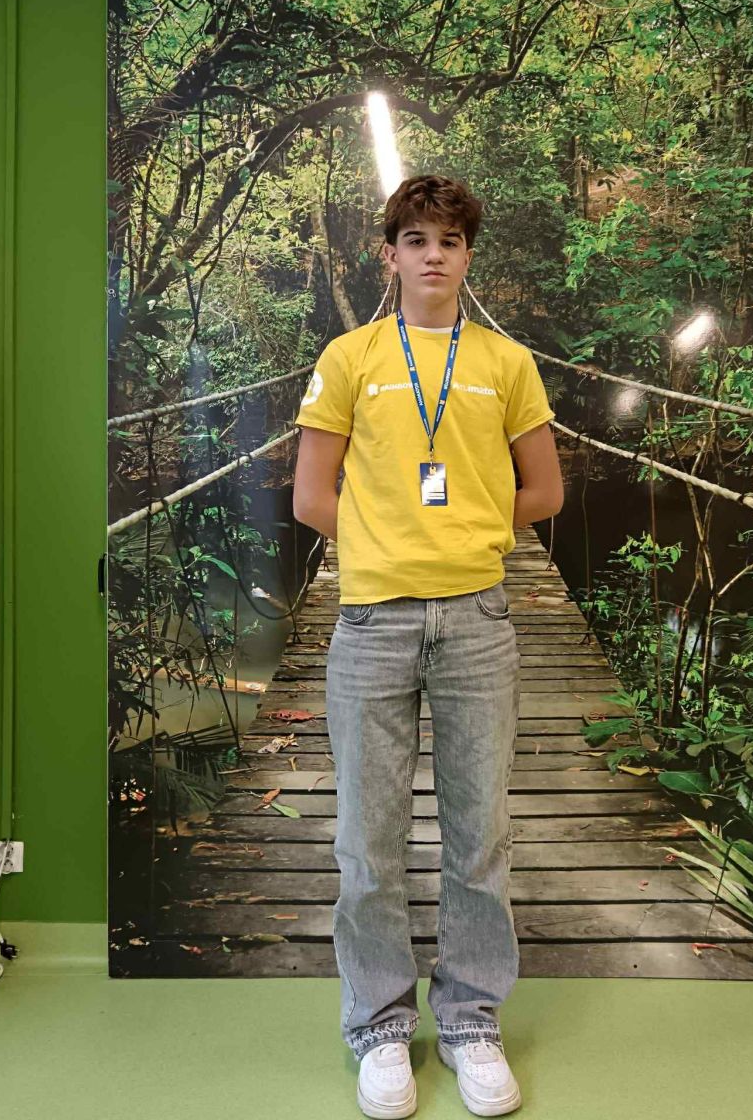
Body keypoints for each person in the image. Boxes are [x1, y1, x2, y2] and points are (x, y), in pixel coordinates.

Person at [293, 174, 563, 1118]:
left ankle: (471, 1021)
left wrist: (468, 530)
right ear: (390, 255)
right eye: (416, 239)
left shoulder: (507, 362)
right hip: (372, 622)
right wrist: (388, 544)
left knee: (478, 837)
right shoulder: (351, 357)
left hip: (478, 620)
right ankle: (379, 1028)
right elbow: (312, 496)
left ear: (468, 255)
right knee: (368, 842)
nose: (433, 254)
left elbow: (545, 492)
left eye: (449, 239)